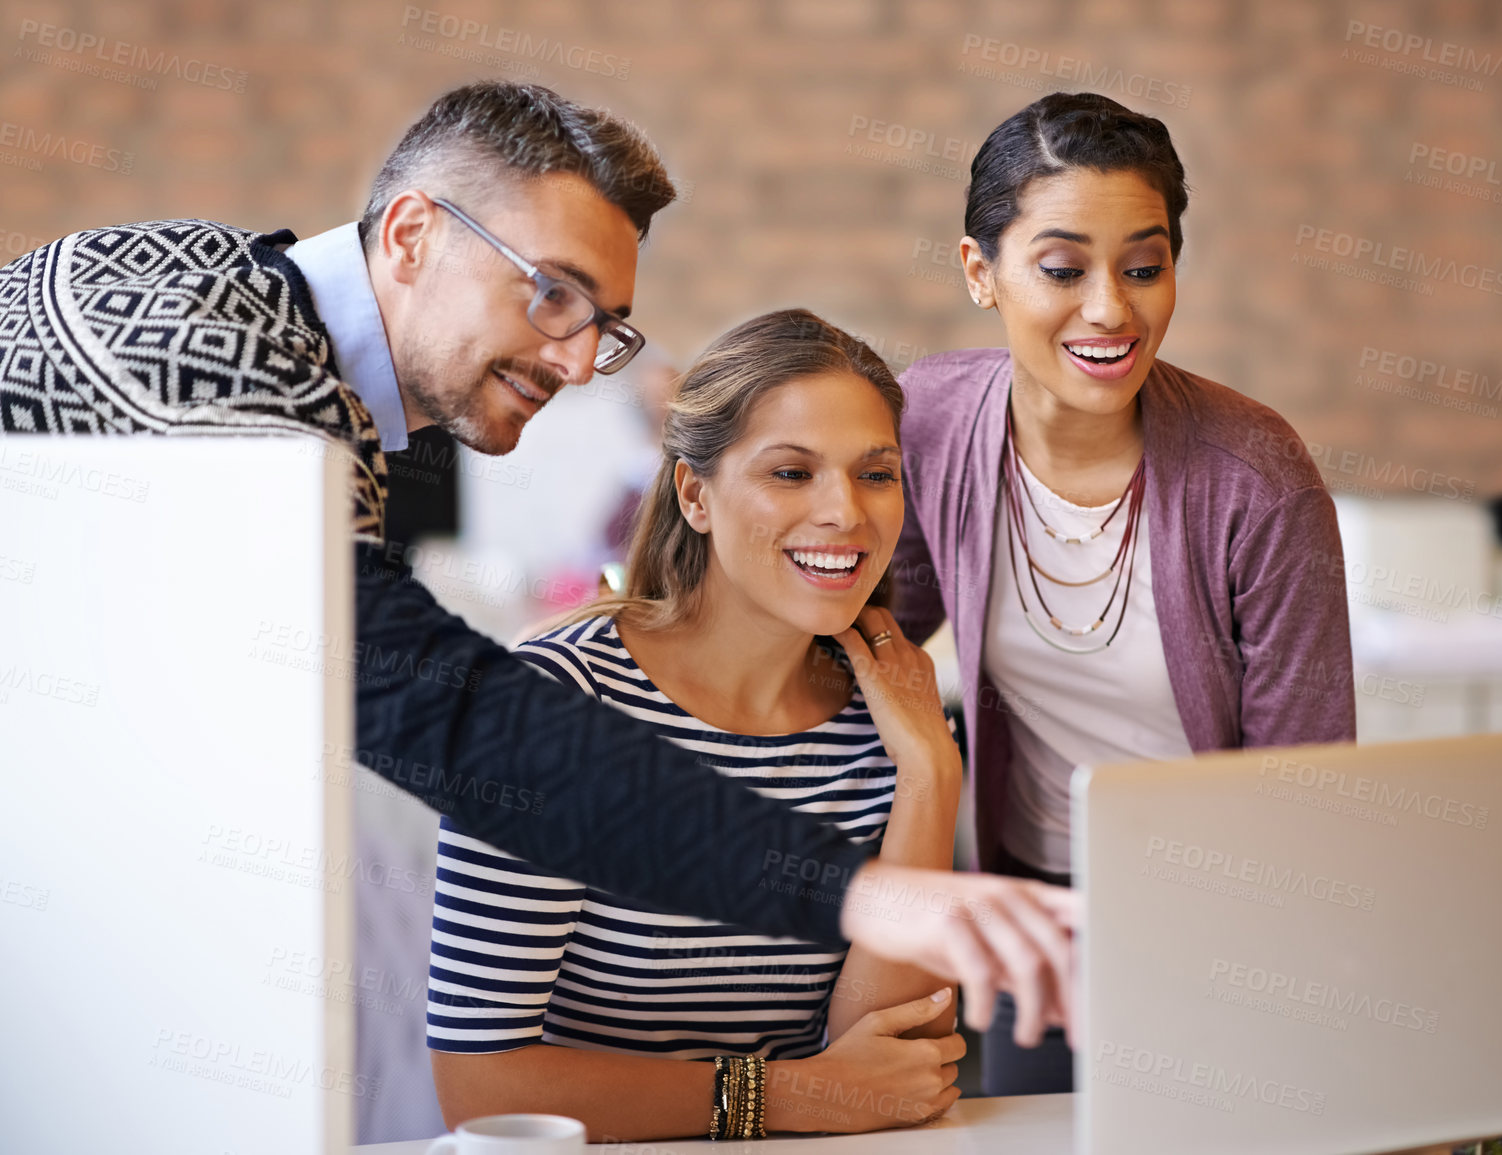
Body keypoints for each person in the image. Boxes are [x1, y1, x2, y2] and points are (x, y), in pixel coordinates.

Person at [0, 80, 1075, 1039]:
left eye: (603, 323)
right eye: (552, 292)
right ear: (413, 233)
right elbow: (441, 714)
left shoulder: (280, 348)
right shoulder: (195, 357)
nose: (573, 358)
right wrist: (861, 892)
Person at [889, 92, 1356, 1095]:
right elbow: (865, 630)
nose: (1111, 308)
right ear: (981, 272)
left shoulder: (1256, 473)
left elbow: (1306, 782)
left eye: (1144, 268)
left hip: (1222, 917)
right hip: (1035, 915)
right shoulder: (930, 420)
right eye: (1063, 269)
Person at [428, 310, 970, 1140]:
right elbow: (482, 1083)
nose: (844, 512)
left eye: (876, 473)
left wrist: (929, 774)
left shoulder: (895, 726)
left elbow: (899, 1068)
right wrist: (789, 1095)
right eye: (790, 472)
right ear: (694, 494)